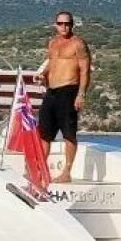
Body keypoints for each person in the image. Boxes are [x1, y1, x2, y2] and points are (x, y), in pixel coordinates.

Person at [34, 10, 91, 184]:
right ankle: (41, 170)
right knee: (44, 133)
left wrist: (81, 94)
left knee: (69, 134)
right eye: (60, 23)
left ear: (72, 24)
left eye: (67, 23)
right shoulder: (53, 43)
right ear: (55, 25)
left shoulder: (78, 44)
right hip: (51, 91)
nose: (64, 27)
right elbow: (52, 63)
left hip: (69, 90)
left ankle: (66, 172)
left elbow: (85, 70)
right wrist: (42, 74)